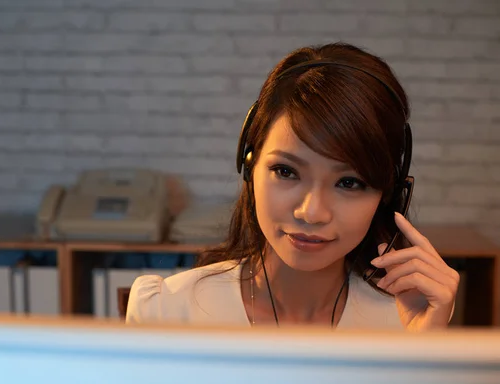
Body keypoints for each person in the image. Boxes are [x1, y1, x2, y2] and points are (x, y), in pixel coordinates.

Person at [125, 42, 459, 331]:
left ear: (387, 194)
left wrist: (422, 351)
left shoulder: (407, 319)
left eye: (349, 182)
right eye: (286, 171)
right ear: (249, 164)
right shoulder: (166, 311)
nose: (311, 212)